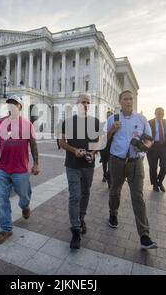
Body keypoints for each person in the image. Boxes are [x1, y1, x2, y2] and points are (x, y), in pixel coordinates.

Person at [0, 95, 40, 245]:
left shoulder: (27, 125)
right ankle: (6, 229)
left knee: (24, 196)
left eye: (14, 103)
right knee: (2, 199)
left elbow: (33, 145)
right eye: (9, 103)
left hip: (20, 169)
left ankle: (25, 206)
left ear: (20, 107)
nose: (11, 106)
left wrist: (36, 164)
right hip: (2, 168)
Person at [105, 90, 157, 249]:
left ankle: (144, 236)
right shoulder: (112, 118)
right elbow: (102, 140)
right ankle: (113, 213)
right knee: (115, 190)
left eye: (131, 99)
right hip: (117, 161)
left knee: (138, 197)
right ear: (120, 101)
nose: (129, 101)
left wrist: (144, 145)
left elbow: (149, 140)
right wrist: (112, 130)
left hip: (136, 162)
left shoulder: (141, 119)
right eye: (125, 99)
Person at [58, 94, 101, 249]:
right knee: (75, 195)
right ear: (77, 104)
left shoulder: (95, 123)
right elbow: (62, 142)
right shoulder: (68, 122)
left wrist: (92, 154)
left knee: (85, 194)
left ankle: (81, 218)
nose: (85, 104)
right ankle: (75, 229)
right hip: (72, 165)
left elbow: (97, 143)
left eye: (88, 102)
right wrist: (74, 150)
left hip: (88, 165)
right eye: (83, 102)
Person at [147, 108, 166, 192]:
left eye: (162, 113)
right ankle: (154, 184)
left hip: (164, 147)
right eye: (158, 113)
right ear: (155, 113)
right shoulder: (149, 122)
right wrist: (148, 145)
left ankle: (159, 181)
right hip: (153, 147)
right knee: (153, 167)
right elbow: (145, 135)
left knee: (165, 166)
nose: (160, 115)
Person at [100, 111, 113, 189]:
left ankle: (109, 180)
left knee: (110, 164)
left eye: (111, 115)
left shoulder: (115, 125)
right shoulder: (102, 124)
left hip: (111, 148)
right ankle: (105, 175)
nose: (109, 117)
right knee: (104, 163)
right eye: (108, 115)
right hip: (103, 147)